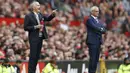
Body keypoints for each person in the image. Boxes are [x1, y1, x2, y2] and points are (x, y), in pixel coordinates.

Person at [24, 1, 56, 73]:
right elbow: (25, 27)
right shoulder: (28, 16)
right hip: (33, 38)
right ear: (33, 7)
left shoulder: (40, 14)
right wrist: (36, 27)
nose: (40, 6)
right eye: (38, 5)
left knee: (37, 57)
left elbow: (47, 18)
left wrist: (53, 14)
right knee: (33, 57)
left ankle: (33, 71)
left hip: (40, 38)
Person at [86, 6, 106, 73]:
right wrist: (100, 29)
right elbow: (94, 27)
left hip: (98, 42)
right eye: (96, 11)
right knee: (93, 59)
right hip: (92, 41)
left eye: (98, 11)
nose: (98, 12)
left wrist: (100, 29)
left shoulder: (98, 21)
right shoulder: (89, 20)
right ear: (92, 12)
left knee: (96, 59)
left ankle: (93, 71)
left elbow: (104, 30)